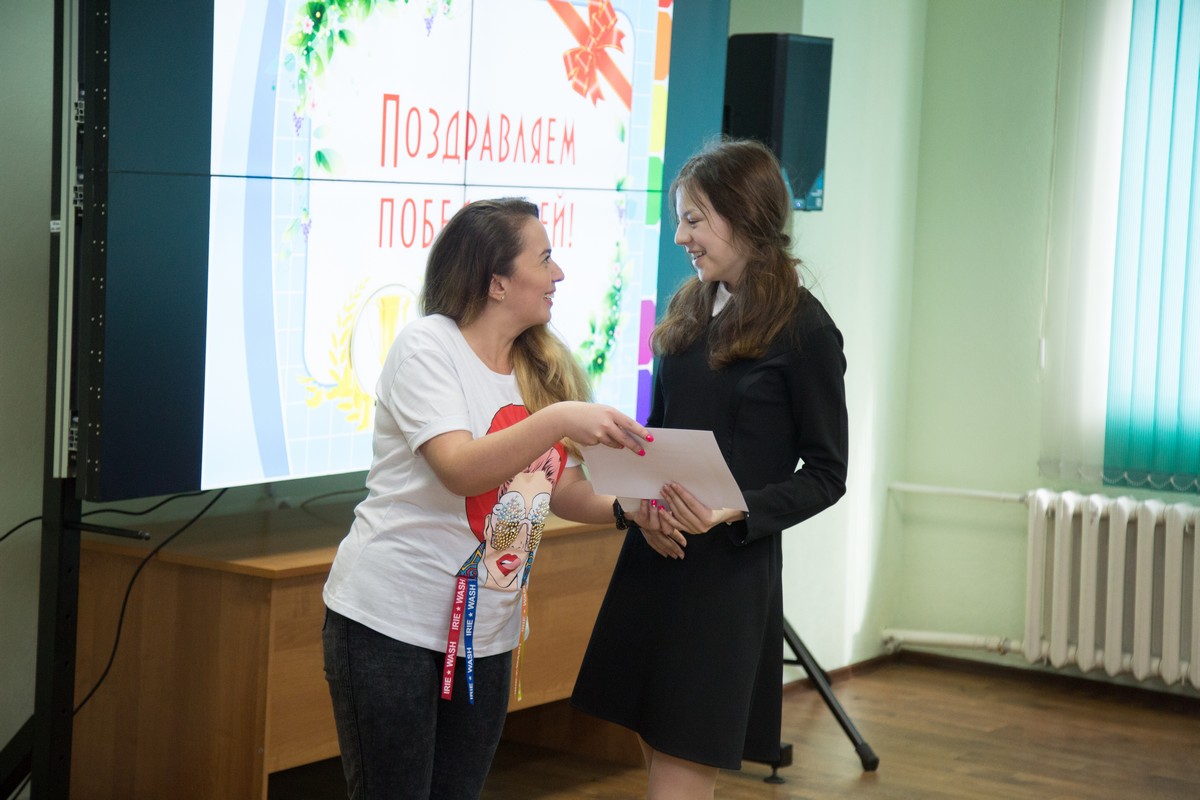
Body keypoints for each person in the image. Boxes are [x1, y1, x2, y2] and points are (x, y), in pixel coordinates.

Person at [321, 197, 655, 799]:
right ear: (497, 282)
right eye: (545, 259)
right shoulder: (427, 346)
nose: (558, 274)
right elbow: (460, 469)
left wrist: (628, 508)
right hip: (389, 624)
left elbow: (559, 487)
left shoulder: (540, 365)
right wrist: (560, 418)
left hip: (488, 633)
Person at [570, 138, 850, 799]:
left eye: (693, 220)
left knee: (680, 775)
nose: (680, 237)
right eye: (680, 220)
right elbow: (661, 436)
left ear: (746, 216)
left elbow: (827, 473)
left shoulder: (807, 331)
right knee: (660, 762)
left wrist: (734, 508)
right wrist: (640, 501)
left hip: (726, 584)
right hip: (655, 563)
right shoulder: (690, 308)